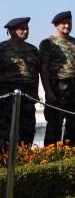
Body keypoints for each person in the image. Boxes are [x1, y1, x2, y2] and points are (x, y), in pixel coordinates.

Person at [39, 11, 75, 147]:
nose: (67, 26)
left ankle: (71, 153)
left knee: (74, 123)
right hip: (57, 86)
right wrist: (48, 91)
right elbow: (43, 68)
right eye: (64, 23)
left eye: (69, 23)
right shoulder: (47, 43)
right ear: (56, 25)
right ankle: (50, 156)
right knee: (54, 123)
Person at [0, 16, 40, 148]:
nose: (26, 31)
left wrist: (35, 94)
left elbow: (37, 73)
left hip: (27, 92)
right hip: (7, 92)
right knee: (5, 128)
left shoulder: (33, 50)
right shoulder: (2, 48)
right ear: (11, 31)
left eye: (27, 29)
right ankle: (5, 158)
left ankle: (25, 158)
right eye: (22, 29)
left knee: (28, 127)